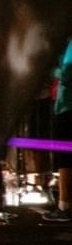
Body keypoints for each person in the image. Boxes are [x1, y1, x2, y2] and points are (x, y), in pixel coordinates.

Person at [47, 36, 72, 222]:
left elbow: (66, 73)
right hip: (65, 104)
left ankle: (64, 205)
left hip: (67, 105)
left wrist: (51, 69)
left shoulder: (70, 44)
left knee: (65, 159)